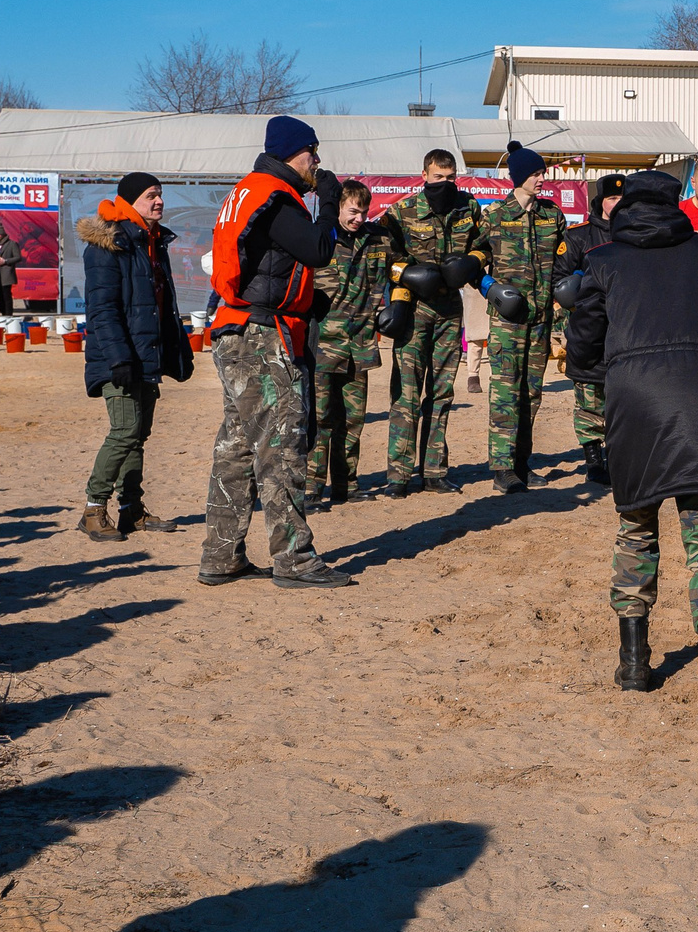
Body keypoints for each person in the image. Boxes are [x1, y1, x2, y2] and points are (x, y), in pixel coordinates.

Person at [567, 170, 698, 712]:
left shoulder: (603, 261)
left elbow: (581, 347)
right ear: (678, 203)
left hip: (633, 404)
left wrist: (613, 370)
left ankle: (633, 663)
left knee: (636, 529)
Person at [202, 114, 346, 587]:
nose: (318, 162)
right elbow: (319, 249)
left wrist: (307, 301)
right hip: (261, 339)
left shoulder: (247, 191)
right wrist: (329, 199)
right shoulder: (274, 196)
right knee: (281, 447)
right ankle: (294, 559)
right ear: (292, 153)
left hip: (237, 329)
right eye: (313, 153)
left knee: (237, 448)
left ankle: (221, 556)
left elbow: (267, 268)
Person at [79, 171, 194, 537]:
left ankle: (131, 509)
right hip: (120, 358)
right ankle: (93, 509)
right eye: (150, 195)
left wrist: (178, 350)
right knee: (125, 430)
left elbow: (161, 305)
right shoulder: (108, 245)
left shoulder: (151, 242)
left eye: (160, 194)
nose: (158, 201)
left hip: (146, 355)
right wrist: (119, 359)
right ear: (129, 202)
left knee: (138, 433)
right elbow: (102, 310)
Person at [382, 149, 485, 494]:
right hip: (414, 309)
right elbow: (384, 258)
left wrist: (471, 261)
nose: (445, 183)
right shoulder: (402, 212)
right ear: (423, 175)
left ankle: (435, 472)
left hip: (448, 310)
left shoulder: (467, 208)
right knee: (406, 394)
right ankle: (398, 475)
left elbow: (486, 245)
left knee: (441, 393)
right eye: (438, 177)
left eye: (451, 177)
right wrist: (407, 273)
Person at [482, 142, 567, 492]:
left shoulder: (552, 216)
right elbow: (474, 261)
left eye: (543, 172)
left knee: (531, 393)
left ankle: (521, 462)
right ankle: (502, 467)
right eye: (535, 173)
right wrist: (490, 287)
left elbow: (564, 263)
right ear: (518, 178)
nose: (542, 179)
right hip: (506, 323)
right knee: (505, 390)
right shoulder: (495, 217)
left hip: (540, 319)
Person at [309, 179, 395, 506]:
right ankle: (312, 489)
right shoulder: (321, 241)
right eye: (352, 211)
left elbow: (404, 256)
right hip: (322, 345)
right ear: (339, 208)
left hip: (359, 345)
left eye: (363, 211)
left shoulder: (378, 240)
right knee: (319, 420)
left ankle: (347, 485)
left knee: (353, 420)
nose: (358, 218)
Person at [559, 173, 627, 483]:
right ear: (600, 202)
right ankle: (592, 457)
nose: (618, 204)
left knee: (620, 396)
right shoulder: (579, 236)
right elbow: (558, 280)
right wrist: (575, 297)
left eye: (622, 199)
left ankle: (617, 455)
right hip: (588, 329)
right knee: (587, 394)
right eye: (612, 199)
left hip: (624, 328)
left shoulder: (634, 235)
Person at [0, 221, 22, 316]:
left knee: (6, 295)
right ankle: (3, 314)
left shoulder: (12, 244)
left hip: (6, 274)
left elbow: (18, 257)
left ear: (3, 235)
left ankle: (8, 314)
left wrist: (5, 261)